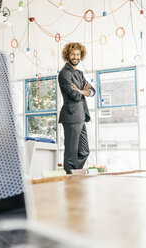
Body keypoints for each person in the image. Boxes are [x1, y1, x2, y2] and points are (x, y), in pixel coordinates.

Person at [58, 42, 95, 174]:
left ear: (81, 55)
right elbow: (74, 95)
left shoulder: (79, 73)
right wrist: (82, 92)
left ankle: (73, 175)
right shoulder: (64, 74)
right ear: (67, 55)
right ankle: (70, 180)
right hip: (71, 116)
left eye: (78, 54)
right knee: (71, 152)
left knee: (84, 151)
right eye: (73, 54)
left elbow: (93, 91)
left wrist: (81, 91)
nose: (75, 57)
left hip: (81, 116)